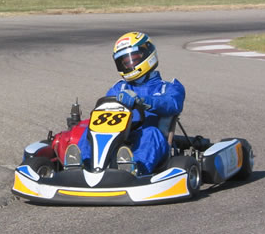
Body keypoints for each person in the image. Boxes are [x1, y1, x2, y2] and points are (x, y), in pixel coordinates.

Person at [72, 31, 185, 177]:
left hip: (152, 139)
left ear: (147, 54)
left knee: (151, 133)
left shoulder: (169, 87)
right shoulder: (119, 87)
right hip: (119, 137)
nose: (129, 64)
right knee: (91, 128)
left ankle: (135, 168)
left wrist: (143, 101)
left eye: (133, 58)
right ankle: (83, 165)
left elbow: (172, 104)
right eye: (124, 62)